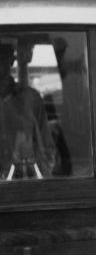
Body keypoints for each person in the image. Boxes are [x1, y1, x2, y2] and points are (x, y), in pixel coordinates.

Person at [0, 42, 55, 179]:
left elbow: (46, 148)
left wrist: (40, 187)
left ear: (11, 60)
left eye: (2, 56)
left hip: (25, 186)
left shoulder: (32, 99)